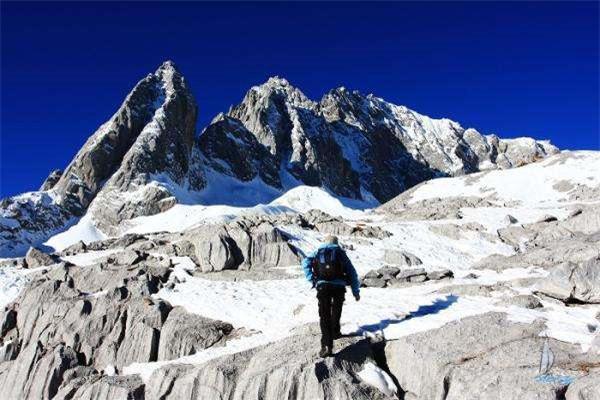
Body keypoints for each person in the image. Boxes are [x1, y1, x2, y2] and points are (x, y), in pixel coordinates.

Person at [302, 235, 360, 357]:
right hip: (339, 286)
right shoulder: (340, 252)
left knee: (324, 315)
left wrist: (311, 279)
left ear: (325, 242)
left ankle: (327, 345)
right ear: (336, 242)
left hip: (323, 286)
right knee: (337, 309)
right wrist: (356, 292)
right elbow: (352, 273)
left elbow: (305, 262)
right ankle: (335, 332)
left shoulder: (318, 251)